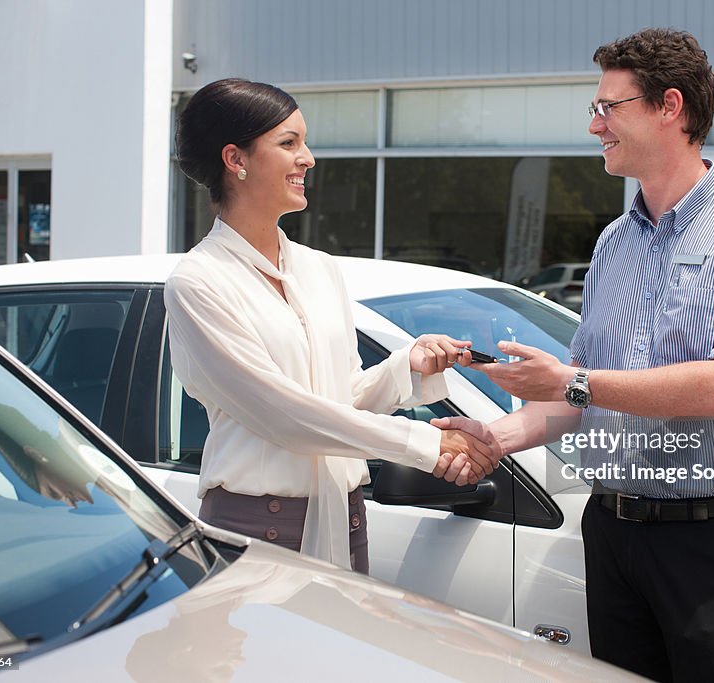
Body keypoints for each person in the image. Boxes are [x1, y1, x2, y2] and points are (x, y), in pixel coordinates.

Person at [433, 28, 714, 682]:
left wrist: (575, 382)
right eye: (594, 109)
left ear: (670, 107)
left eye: (609, 108)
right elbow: (574, 400)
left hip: (710, 545)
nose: (593, 126)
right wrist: (492, 436)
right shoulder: (613, 243)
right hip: (611, 531)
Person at [165, 78, 493, 574]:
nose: (309, 158)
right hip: (259, 526)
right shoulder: (198, 282)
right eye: (289, 143)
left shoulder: (319, 268)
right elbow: (281, 414)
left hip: (346, 519)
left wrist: (405, 366)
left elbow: (335, 401)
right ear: (237, 160)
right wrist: (427, 444)